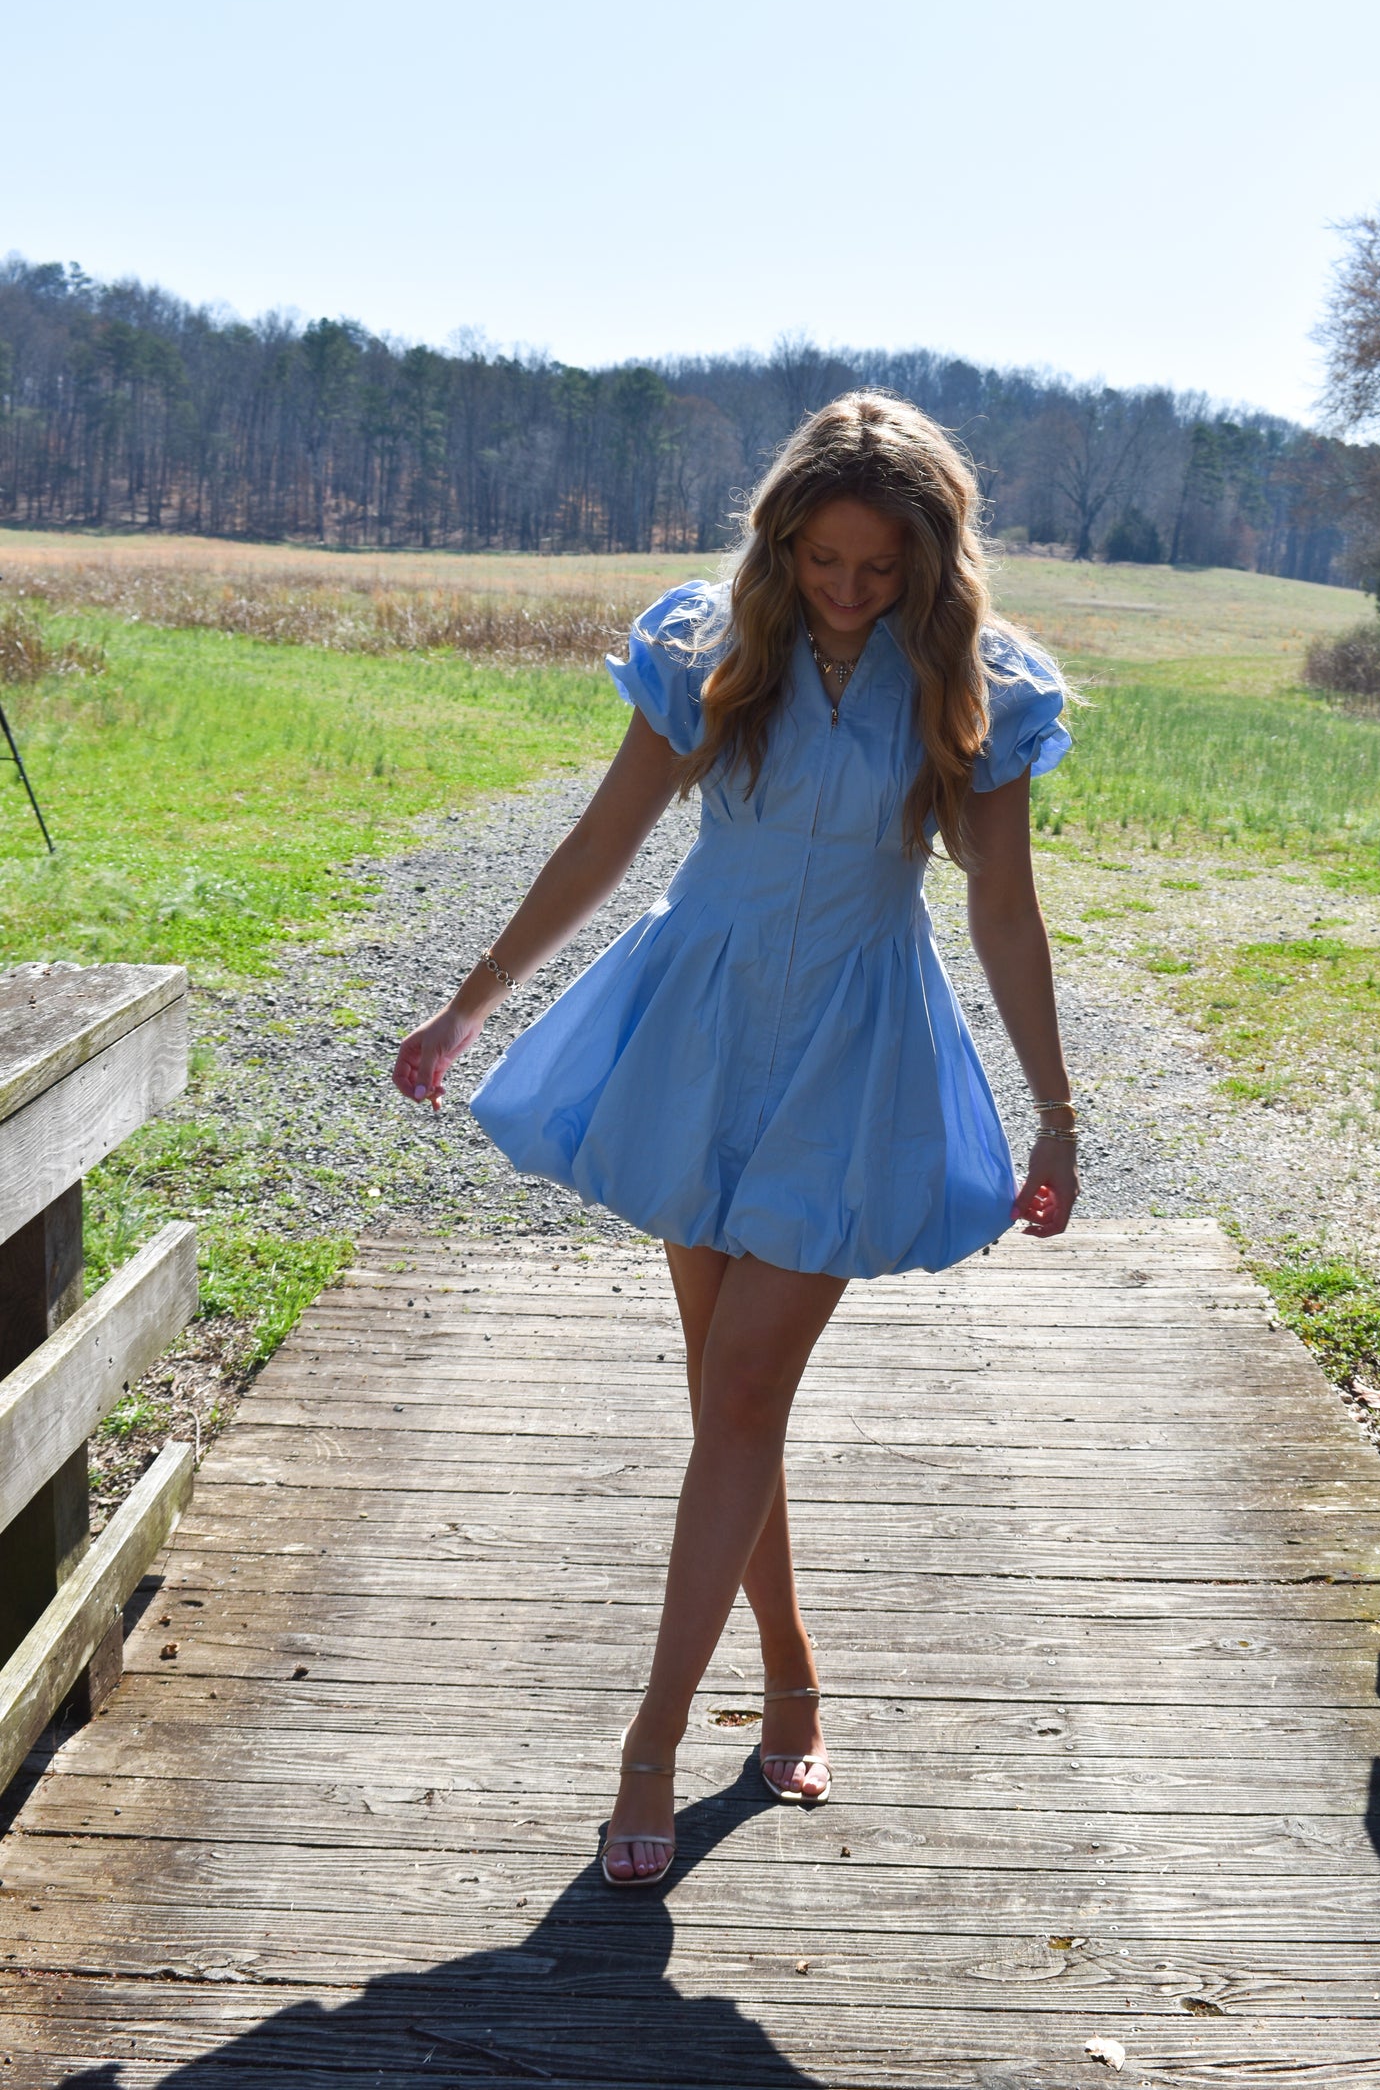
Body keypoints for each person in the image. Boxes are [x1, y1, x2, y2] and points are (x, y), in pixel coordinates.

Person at [392, 392, 1080, 1888]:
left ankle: (648, 1745)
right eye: (824, 560)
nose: (848, 591)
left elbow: (1002, 908)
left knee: (742, 1395)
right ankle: (791, 1672)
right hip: (696, 1033)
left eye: (879, 568)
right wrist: (465, 1007)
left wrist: (1056, 1108)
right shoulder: (713, 651)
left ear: (930, 558)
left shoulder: (978, 684)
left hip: (854, 1044)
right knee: (730, 1408)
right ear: (782, 541)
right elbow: (603, 839)